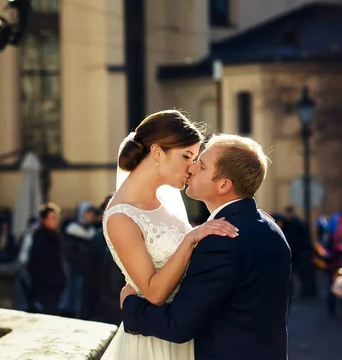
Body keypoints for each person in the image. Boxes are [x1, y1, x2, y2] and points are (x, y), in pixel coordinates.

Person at [120, 133, 291, 360]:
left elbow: (177, 325)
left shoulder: (221, 241)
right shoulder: (270, 226)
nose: (190, 169)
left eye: (201, 166)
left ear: (223, 185)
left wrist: (130, 305)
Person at [101, 110, 239, 360]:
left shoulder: (165, 204)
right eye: (186, 156)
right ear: (156, 152)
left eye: (195, 158)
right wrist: (191, 239)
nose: (192, 167)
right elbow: (154, 293)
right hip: (153, 343)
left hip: (186, 332)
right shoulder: (120, 217)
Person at [27, 202, 66, 315]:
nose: (56, 221)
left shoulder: (55, 236)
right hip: (45, 288)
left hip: (55, 287)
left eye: (57, 217)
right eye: (53, 218)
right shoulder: (40, 239)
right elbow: (35, 264)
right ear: (44, 220)